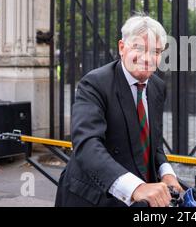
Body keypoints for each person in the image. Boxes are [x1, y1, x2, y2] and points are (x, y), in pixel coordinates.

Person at [55, 13, 183, 207]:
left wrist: (167, 174)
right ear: (122, 48)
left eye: (156, 51)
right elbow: (87, 145)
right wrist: (136, 188)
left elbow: (153, 142)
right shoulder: (95, 83)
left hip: (142, 197)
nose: (147, 58)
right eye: (139, 48)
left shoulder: (157, 86)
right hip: (95, 197)